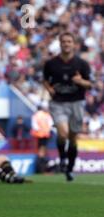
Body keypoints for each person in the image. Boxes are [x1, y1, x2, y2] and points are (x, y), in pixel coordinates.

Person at [43, 32, 93, 181]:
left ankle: (70, 168)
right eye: (64, 41)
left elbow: (89, 84)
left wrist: (80, 81)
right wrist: (49, 89)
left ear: (74, 44)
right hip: (58, 103)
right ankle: (62, 158)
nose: (66, 44)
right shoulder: (51, 64)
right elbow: (45, 80)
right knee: (63, 133)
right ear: (60, 44)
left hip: (76, 103)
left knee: (73, 138)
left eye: (69, 42)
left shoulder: (81, 64)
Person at [31, 105, 54, 174]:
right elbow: (51, 124)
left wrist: (39, 131)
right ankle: (43, 163)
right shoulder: (47, 115)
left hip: (39, 135)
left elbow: (34, 126)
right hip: (46, 134)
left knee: (40, 149)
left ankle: (41, 159)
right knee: (44, 148)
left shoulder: (35, 115)